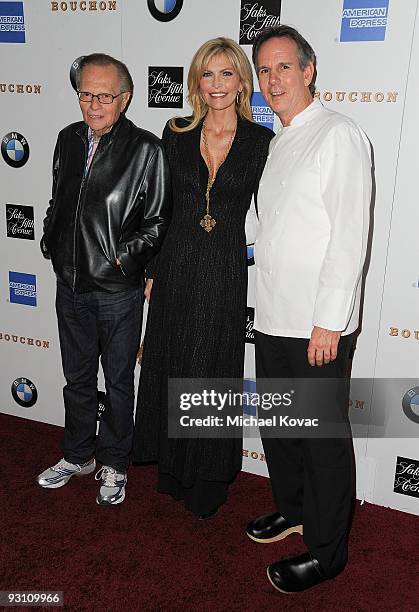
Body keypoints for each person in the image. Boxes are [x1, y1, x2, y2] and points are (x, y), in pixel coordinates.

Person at [246, 26, 372, 592]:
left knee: (321, 438)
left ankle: (328, 550)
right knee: (280, 425)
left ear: (309, 70)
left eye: (283, 68)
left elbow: (348, 237)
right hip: (273, 315)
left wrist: (330, 319)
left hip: (316, 324)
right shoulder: (279, 139)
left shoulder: (339, 134)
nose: (272, 81)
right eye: (264, 71)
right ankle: (294, 509)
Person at [132, 37, 274, 518]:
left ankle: (208, 477)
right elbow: (161, 207)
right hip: (175, 262)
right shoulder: (174, 133)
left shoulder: (261, 142)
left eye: (226, 74)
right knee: (172, 360)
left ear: (241, 82)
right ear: (196, 82)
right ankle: (172, 469)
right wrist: (151, 268)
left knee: (212, 366)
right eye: (207, 75)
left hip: (225, 268)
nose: (216, 84)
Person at [36, 53, 171, 505]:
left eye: (105, 96)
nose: (93, 104)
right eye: (85, 94)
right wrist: (50, 240)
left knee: (117, 382)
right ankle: (78, 454)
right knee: (75, 378)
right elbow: (58, 199)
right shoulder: (67, 140)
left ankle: (114, 463)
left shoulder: (147, 150)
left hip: (116, 292)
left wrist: (119, 263)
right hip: (68, 285)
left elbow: (156, 223)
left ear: (125, 99)